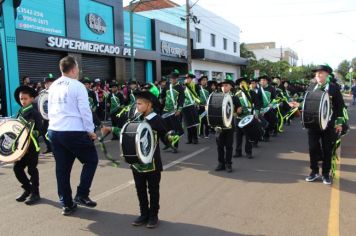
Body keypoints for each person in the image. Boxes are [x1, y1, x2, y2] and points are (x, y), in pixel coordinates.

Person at [101, 90, 172, 228]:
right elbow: (125, 130)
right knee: (140, 189)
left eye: (140, 104)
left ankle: (153, 216)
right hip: (136, 163)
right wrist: (110, 128)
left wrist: (171, 139)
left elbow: (166, 138)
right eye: (136, 103)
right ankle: (143, 214)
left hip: (152, 163)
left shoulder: (157, 119)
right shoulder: (135, 118)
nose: (137, 106)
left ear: (149, 104)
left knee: (153, 190)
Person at [48, 56, 98, 215]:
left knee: (62, 169)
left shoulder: (53, 85)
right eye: (78, 68)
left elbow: (48, 109)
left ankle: (66, 203)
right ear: (74, 69)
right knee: (91, 160)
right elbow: (85, 110)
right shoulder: (77, 86)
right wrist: (90, 130)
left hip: (55, 131)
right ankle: (82, 194)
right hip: (73, 131)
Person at [301, 64, 345, 185]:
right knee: (312, 148)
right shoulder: (311, 87)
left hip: (329, 124)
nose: (318, 75)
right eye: (316, 73)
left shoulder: (333, 88)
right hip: (313, 124)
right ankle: (314, 171)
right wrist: (298, 106)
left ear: (327, 74)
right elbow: (306, 103)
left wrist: (339, 123)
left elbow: (340, 106)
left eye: (321, 73)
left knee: (327, 149)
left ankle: (326, 173)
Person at [13, 85, 43, 205]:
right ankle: (27, 188)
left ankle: (35, 193)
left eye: (25, 98)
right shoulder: (19, 112)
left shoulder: (35, 113)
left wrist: (30, 132)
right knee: (17, 168)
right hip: (20, 147)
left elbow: (40, 130)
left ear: (31, 99)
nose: (23, 101)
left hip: (31, 147)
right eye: (21, 99)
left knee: (32, 170)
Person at [215, 77, 238, 173]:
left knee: (229, 146)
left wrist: (237, 110)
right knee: (219, 146)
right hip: (219, 126)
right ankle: (221, 163)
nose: (223, 87)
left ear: (231, 87)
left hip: (229, 126)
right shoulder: (217, 97)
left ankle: (228, 164)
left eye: (226, 85)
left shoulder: (234, 97)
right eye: (222, 86)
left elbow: (239, 109)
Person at [234, 77, 260, 159]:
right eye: (241, 83)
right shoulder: (236, 94)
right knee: (238, 136)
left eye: (244, 83)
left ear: (248, 84)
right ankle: (238, 152)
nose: (242, 84)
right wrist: (236, 111)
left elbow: (257, 104)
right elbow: (233, 105)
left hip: (249, 117)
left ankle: (248, 152)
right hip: (238, 117)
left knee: (248, 136)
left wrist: (256, 113)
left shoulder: (252, 93)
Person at [162, 69, 185, 153]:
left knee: (175, 129)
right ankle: (168, 144)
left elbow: (181, 100)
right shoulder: (167, 85)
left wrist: (179, 110)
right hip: (166, 110)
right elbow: (163, 95)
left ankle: (175, 146)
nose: (172, 80)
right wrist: (161, 98)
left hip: (175, 111)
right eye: (171, 78)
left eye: (174, 78)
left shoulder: (180, 88)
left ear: (177, 79)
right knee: (166, 129)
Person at [183, 72, 200, 144]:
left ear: (192, 79)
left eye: (189, 78)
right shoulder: (184, 86)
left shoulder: (195, 86)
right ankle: (189, 139)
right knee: (188, 123)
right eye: (186, 78)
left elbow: (198, 95)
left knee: (193, 123)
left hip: (193, 105)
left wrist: (197, 103)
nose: (187, 79)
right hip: (185, 105)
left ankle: (195, 139)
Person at [41, 75, 56, 154]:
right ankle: (49, 147)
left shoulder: (57, 91)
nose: (46, 84)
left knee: (53, 132)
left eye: (49, 83)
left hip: (54, 116)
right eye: (45, 83)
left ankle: (55, 148)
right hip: (45, 116)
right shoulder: (42, 92)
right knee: (44, 131)